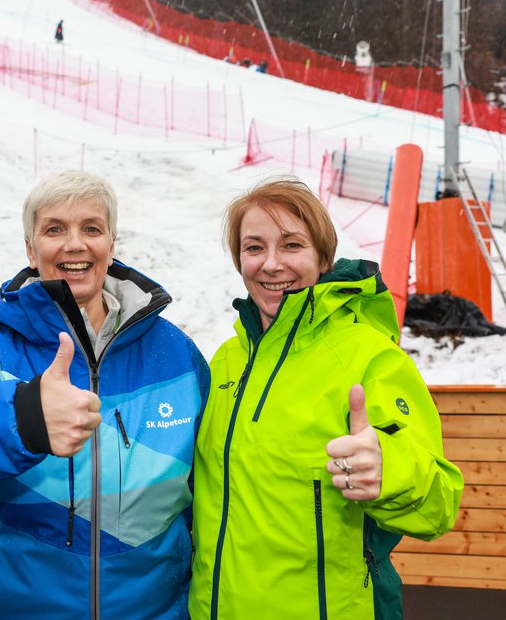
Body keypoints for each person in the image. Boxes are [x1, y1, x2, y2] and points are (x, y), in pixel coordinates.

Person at [0, 170, 210, 619]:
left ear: (111, 243)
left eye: (92, 229)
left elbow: (213, 489)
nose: (75, 244)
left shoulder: (177, 355)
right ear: (30, 248)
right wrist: (23, 418)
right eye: (55, 229)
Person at [189, 178, 464, 619]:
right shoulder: (226, 361)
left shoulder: (370, 357)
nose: (271, 264)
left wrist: (388, 469)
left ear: (323, 258)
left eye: (292, 245)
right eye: (254, 248)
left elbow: (438, 506)